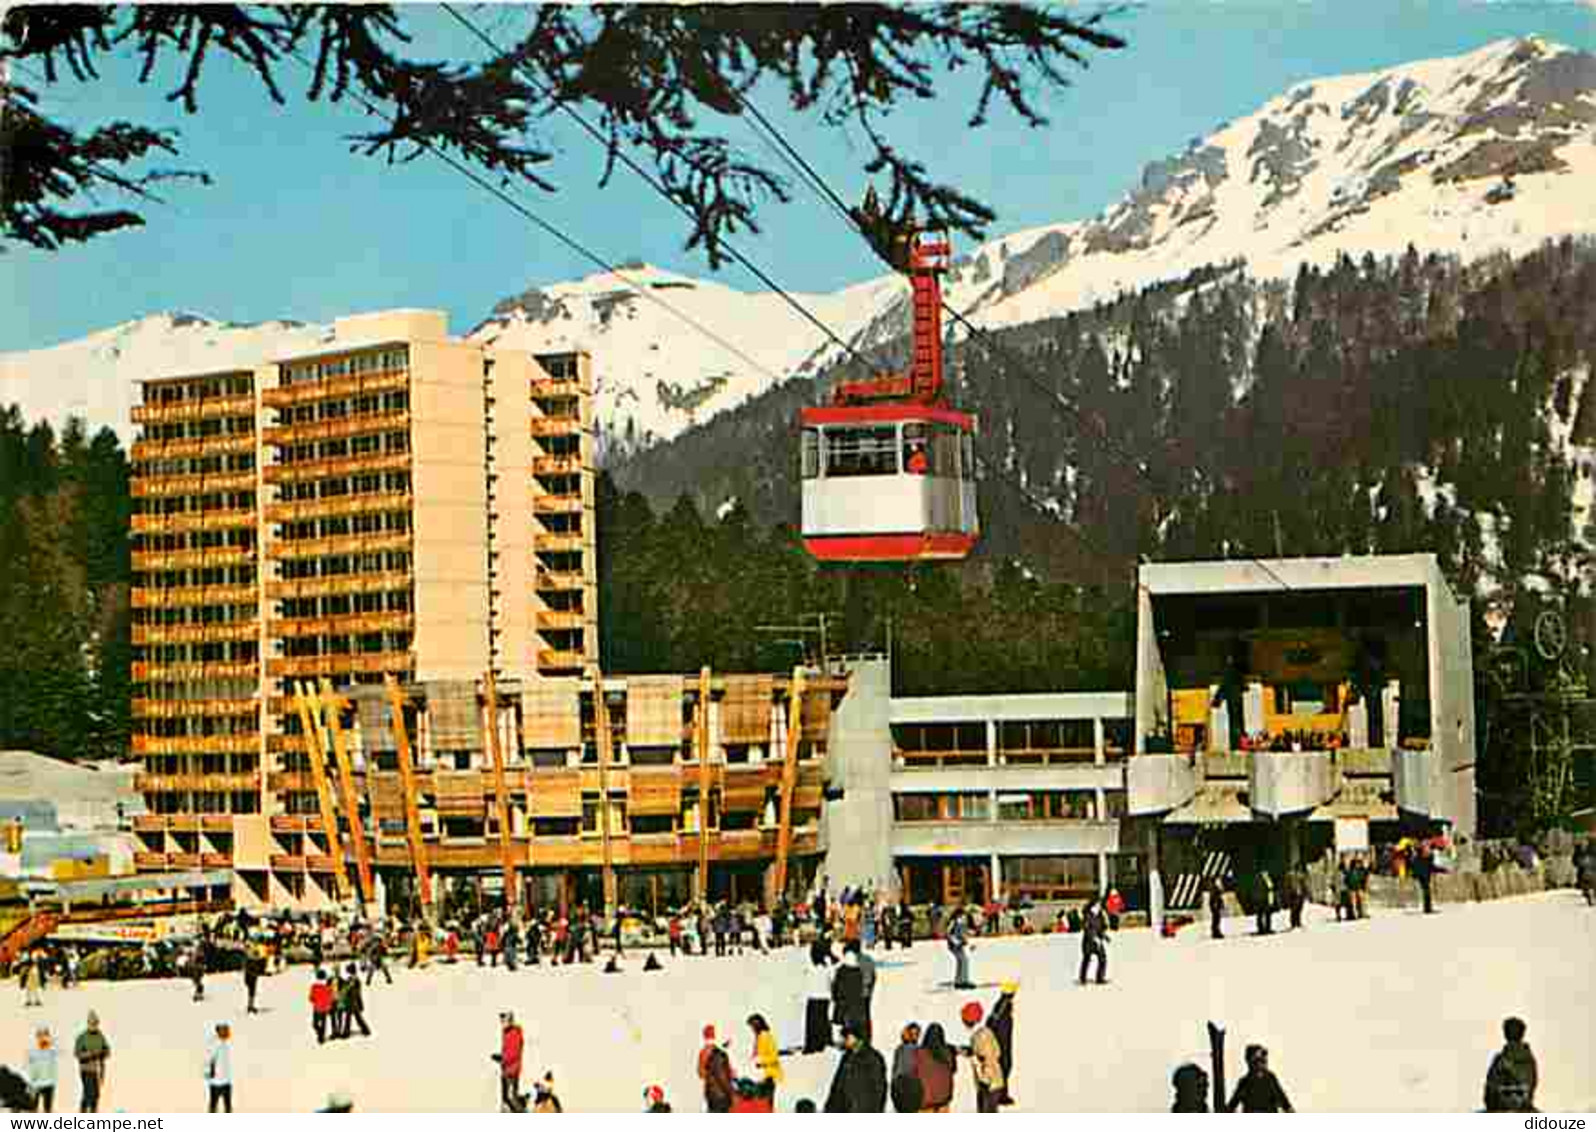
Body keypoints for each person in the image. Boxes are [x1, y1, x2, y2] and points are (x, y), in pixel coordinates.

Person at [823, 1022, 888, 1112]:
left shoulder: (873, 1058)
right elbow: (837, 1086)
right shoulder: (846, 1057)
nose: (843, 1040)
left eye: (846, 1037)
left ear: (857, 1038)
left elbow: (879, 1089)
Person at [1483, 1017, 1538, 1112]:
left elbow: (1528, 1082)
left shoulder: (1527, 1059)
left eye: (1514, 1031)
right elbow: (1490, 1088)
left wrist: (1510, 1068)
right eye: (1509, 1030)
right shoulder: (1499, 1059)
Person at [961, 1002, 1004, 1113]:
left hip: (989, 1083)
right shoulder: (982, 1033)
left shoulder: (982, 1036)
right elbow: (992, 1053)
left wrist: (985, 1081)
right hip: (989, 1082)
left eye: (964, 1018)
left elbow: (988, 1058)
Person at [1227, 1044, 1293, 1112]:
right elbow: (1232, 1105)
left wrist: (1289, 1110)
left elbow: (1283, 1099)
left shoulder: (1270, 1078)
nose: (1262, 1062)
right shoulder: (1245, 1082)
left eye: (1263, 1059)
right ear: (1251, 1061)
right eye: (1258, 1059)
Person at [915, 1023, 957, 1113]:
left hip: (925, 1100)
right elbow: (953, 1069)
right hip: (944, 1098)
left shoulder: (919, 1053)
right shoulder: (947, 1052)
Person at [73, 1012, 110, 1114]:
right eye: (91, 1023)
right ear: (88, 1024)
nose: (94, 1026)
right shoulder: (82, 1037)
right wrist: (89, 1054)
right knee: (89, 1093)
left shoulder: (100, 1036)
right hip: (86, 1069)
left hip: (97, 1070)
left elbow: (107, 1050)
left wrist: (103, 1052)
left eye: (95, 1023)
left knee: (96, 1094)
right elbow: (77, 1053)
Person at [987, 981, 1017, 1106]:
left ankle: (1001, 1094)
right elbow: (993, 1022)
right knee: (1004, 1067)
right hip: (1002, 1041)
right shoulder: (1003, 1005)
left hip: (1004, 1040)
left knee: (1005, 1067)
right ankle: (1001, 1095)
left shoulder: (1003, 1004)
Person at [803, 943, 834, 1054]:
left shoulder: (810, 968)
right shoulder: (827, 968)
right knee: (823, 1020)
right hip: (825, 997)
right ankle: (823, 1041)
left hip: (813, 996)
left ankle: (812, 1044)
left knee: (812, 1023)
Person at [832, 949, 867, 1045]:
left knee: (843, 1023)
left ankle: (845, 1041)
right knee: (854, 1023)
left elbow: (836, 987)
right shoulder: (859, 972)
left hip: (843, 1002)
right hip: (856, 1003)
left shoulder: (841, 971)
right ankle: (855, 1041)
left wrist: (836, 998)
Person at [698, 1025, 734, 1113]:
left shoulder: (703, 1051)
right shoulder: (719, 1054)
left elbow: (701, 1073)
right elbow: (722, 1076)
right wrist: (731, 1092)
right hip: (721, 1093)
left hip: (710, 1092)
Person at [748, 1014, 783, 1101]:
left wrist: (760, 1061)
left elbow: (774, 1057)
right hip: (762, 1076)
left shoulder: (766, 1036)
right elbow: (756, 1055)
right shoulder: (759, 1037)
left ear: (757, 1025)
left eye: (752, 1026)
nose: (751, 1029)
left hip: (769, 1076)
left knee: (765, 1104)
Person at [890, 1023, 923, 1113]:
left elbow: (895, 1073)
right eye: (912, 1034)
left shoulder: (902, 1049)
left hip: (908, 1089)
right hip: (907, 1089)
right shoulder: (917, 1050)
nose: (914, 1036)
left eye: (916, 1034)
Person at [496, 1012, 525, 1112]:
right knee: (506, 1098)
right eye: (501, 1021)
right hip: (506, 1070)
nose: (502, 1023)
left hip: (512, 1071)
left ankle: (521, 1112)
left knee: (510, 1097)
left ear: (510, 1020)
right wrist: (501, 1057)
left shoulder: (514, 1033)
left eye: (504, 1020)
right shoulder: (506, 1033)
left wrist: (502, 1058)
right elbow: (507, 1050)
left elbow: (514, 1053)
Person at [204, 1022, 233, 1113]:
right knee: (214, 1106)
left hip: (226, 1081)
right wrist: (209, 1074)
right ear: (219, 1031)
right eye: (225, 1029)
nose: (228, 1032)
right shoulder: (214, 1044)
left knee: (227, 1106)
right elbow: (208, 1060)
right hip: (216, 1083)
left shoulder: (225, 1043)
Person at [1078, 899, 1109, 985]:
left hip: (1097, 941)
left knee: (1103, 959)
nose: (1099, 907)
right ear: (1093, 906)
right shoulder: (1088, 915)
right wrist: (1094, 938)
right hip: (1088, 942)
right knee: (1087, 959)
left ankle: (1100, 978)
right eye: (1097, 905)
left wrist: (1105, 937)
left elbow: (1100, 929)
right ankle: (1082, 978)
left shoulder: (1099, 916)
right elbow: (1087, 929)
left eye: (1099, 906)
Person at [26, 1027, 57, 1113]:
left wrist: (49, 1040)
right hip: (36, 1084)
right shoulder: (32, 1051)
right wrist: (31, 1083)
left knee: (47, 1109)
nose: (43, 1038)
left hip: (49, 1083)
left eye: (45, 1036)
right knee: (32, 1109)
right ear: (37, 1037)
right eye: (40, 1036)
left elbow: (59, 1048)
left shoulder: (52, 1051)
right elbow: (30, 1068)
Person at [339, 964, 371, 1038]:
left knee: (350, 1017)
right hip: (352, 1001)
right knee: (356, 1017)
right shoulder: (352, 979)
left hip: (352, 1002)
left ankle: (346, 1033)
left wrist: (347, 987)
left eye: (348, 970)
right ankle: (365, 1030)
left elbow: (354, 991)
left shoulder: (355, 980)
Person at [946, 907, 973, 989]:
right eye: (962, 914)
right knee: (964, 960)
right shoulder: (954, 922)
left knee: (961, 961)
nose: (964, 916)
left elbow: (963, 933)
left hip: (959, 945)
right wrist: (956, 942)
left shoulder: (962, 922)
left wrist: (967, 941)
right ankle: (964, 981)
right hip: (954, 945)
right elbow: (949, 933)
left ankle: (959, 981)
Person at [309, 969, 334, 1045]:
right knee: (323, 1022)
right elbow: (330, 998)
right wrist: (329, 1005)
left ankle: (319, 1033)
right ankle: (321, 1037)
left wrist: (314, 1001)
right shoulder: (328, 987)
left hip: (317, 1007)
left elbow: (311, 998)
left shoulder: (314, 986)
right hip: (325, 1007)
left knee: (315, 1023)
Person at [1411, 844, 1436, 914]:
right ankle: (1427, 908)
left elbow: (1413, 867)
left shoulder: (1415, 858)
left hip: (1421, 876)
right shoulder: (1426, 858)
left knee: (1425, 891)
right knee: (1426, 891)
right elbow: (1431, 866)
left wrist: (1414, 875)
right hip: (1424, 876)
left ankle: (1427, 907)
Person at [243, 946, 265, 1015]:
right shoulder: (251, 962)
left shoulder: (249, 961)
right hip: (251, 978)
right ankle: (250, 1007)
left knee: (251, 993)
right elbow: (252, 970)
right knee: (251, 993)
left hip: (250, 978)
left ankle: (250, 1006)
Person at [1207, 876, 1226, 940]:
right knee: (1216, 918)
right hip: (1215, 903)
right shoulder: (1213, 887)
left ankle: (1216, 931)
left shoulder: (1214, 886)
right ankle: (1215, 932)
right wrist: (1216, 904)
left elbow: (1219, 895)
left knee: (1216, 918)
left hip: (1216, 903)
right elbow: (1214, 896)